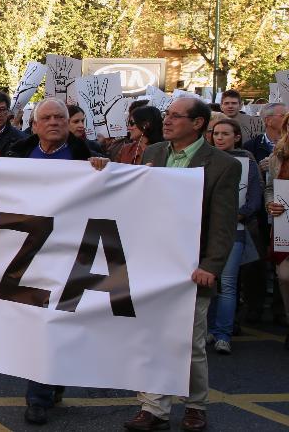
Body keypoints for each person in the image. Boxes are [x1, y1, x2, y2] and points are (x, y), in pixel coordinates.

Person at [0, 99, 110, 424]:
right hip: (28, 251)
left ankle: (52, 380)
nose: (54, 122)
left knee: (61, 322)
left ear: (69, 123)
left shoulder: (89, 156)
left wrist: (104, 170)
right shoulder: (16, 154)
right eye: (47, 118)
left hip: (72, 251)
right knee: (39, 324)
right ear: (34, 125)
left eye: (60, 117)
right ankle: (37, 396)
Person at [124, 97, 240, 432]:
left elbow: (223, 224)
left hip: (192, 268)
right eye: (167, 115)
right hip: (153, 261)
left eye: (176, 116)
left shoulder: (221, 165)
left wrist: (211, 266)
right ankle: (153, 407)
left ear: (198, 123)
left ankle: (195, 406)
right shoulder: (153, 154)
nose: (168, 121)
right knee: (150, 338)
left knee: (189, 342)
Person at [204, 118, 261, 355]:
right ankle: (206, 330)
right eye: (216, 133)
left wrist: (238, 215)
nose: (219, 138)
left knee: (227, 284)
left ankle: (223, 334)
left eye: (225, 134)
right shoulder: (205, 160)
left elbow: (254, 198)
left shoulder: (248, 161)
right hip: (205, 232)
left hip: (234, 231)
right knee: (208, 284)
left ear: (236, 136)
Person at [242, 102, 286, 328]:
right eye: (283, 114)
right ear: (268, 120)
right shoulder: (252, 145)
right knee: (256, 263)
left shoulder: (284, 149)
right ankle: (255, 307)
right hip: (261, 214)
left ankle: (281, 310)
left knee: (283, 268)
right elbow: (253, 182)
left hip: (285, 218)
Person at [262, 110, 289, 350]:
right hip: (285, 224)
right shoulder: (278, 156)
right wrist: (271, 204)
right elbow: (271, 187)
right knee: (285, 276)